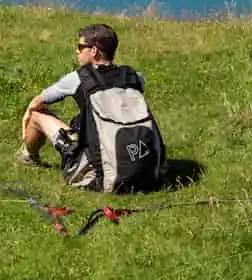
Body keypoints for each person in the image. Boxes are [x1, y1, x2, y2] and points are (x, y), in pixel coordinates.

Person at [16, 23, 158, 191]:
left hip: (101, 175)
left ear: (94, 51)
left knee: (37, 115)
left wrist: (27, 113)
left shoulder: (78, 78)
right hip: (147, 171)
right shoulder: (135, 77)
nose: (77, 51)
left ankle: (28, 157)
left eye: (80, 46)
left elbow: (40, 100)